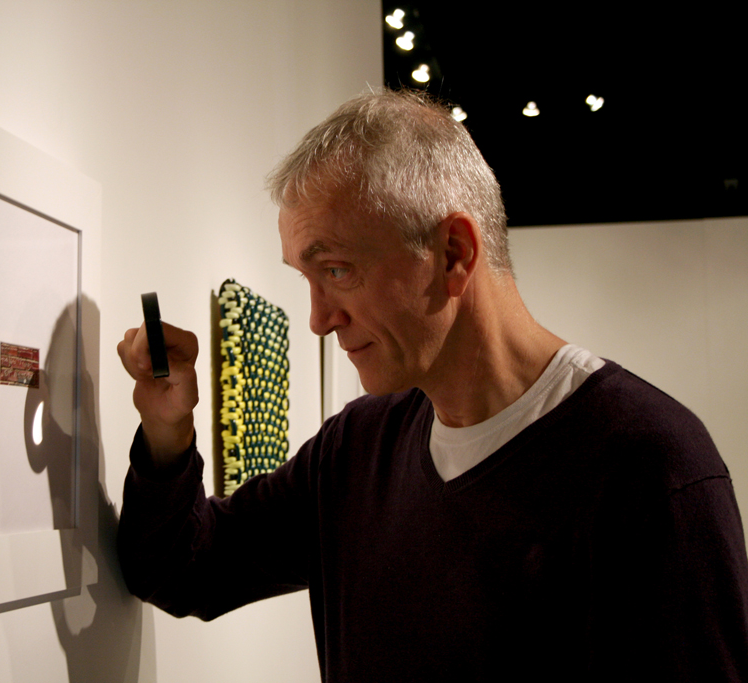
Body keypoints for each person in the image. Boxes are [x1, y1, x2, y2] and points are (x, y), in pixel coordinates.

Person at [115, 89, 748, 681]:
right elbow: (182, 567)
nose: (318, 319)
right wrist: (168, 431)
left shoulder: (649, 465)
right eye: (308, 279)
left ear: (452, 254)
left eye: (337, 270)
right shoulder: (357, 449)